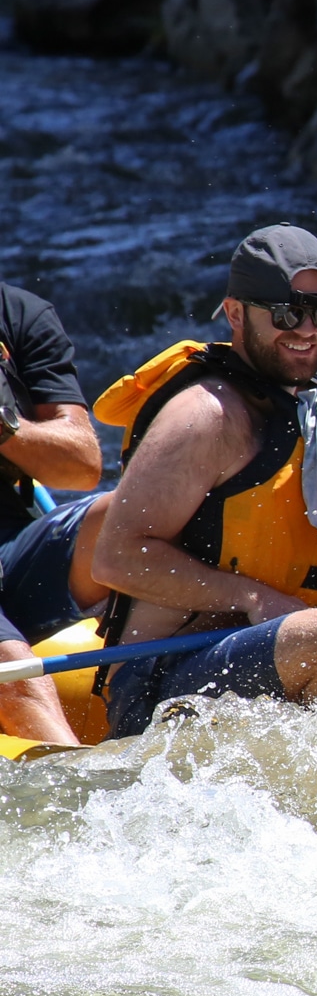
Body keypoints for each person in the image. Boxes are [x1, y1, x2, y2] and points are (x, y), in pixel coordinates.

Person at [91, 225, 317, 739]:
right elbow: (117, 557)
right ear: (235, 313)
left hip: (283, 644)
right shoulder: (205, 417)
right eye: (286, 313)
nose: (307, 329)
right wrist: (251, 598)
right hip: (161, 678)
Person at [0, 282, 104, 743]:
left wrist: (6, 432)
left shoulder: (19, 313)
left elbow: (82, 466)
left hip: (12, 547)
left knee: (128, 514)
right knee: (14, 672)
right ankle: (85, 794)